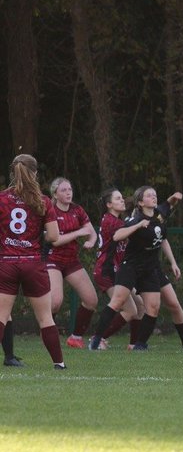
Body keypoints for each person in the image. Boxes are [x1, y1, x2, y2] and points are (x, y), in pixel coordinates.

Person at [87, 186, 182, 351]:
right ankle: (96, 340)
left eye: (155, 194)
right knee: (120, 304)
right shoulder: (130, 219)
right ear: (140, 202)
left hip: (147, 268)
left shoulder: (156, 214)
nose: (153, 196)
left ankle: (139, 345)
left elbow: (167, 206)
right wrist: (138, 226)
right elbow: (118, 235)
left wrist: (175, 197)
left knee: (151, 307)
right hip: (121, 267)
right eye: (149, 195)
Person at [0, 154, 65, 369]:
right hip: (32, 262)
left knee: (1, 316)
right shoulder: (43, 201)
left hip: (6, 262)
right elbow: (54, 237)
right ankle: (59, 363)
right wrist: (36, 235)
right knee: (46, 318)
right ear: (35, 173)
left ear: (13, 172)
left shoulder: (2, 199)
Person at [87, 188, 148, 350]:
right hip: (107, 270)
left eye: (122, 198)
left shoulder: (118, 221)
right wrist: (139, 222)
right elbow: (124, 232)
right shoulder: (110, 221)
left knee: (140, 305)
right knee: (130, 310)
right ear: (109, 205)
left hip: (117, 270)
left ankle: (133, 345)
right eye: (118, 198)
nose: (122, 201)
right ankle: (97, 339)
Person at [45, 177, 100, 349]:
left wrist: (91, 241)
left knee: (91, 300)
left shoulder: (77, 209)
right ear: (55, 193)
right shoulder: (50, 210)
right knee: (55, 302)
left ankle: (75, 338)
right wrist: (78, 233)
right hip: (52, 259)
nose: (68, 193)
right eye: (63, 190)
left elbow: (91, 232)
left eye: (70, 189)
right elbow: (54, 240)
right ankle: (47, 334)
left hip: (71, 260)